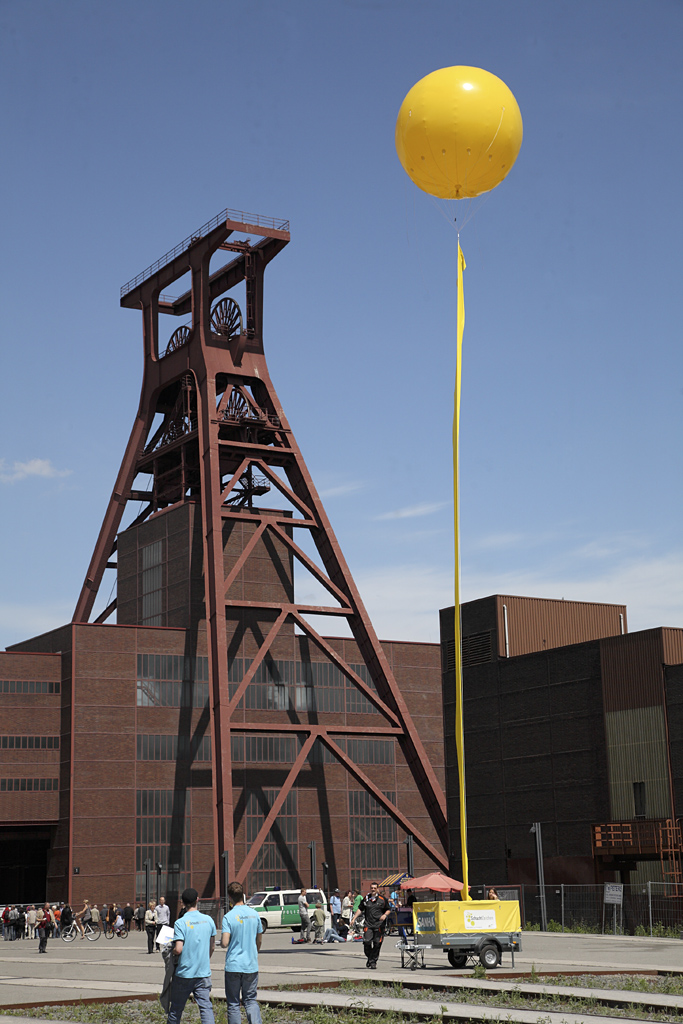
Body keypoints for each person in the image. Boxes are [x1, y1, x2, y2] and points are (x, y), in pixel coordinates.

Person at [167, 886, 216, 1024]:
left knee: (176, 1009)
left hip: (184, 973)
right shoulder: (209, 920)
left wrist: (170, 950)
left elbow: (178, 949)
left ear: (182, 902)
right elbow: (212, 946)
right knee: (206, 1007)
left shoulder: (180, 923)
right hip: (203, 972)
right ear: (197, 900)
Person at [221, 880, 262, 1024]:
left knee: (233, 1004)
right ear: (243, 895)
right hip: (250, 964)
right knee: (250, 1000)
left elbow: (225, 943)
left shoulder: (228, 917)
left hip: (233, 965)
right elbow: (259, 940)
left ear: (230, 897)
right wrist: (254, 952)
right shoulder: (254, 914)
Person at [351, 882, 391, 969]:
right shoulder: (366, 898)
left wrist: (384, 915)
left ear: (377, 889)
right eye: (371, 888)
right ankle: (370, 958)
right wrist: (354, 919)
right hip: (368, 924)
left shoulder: (382, 899)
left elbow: (388, 909)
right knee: (367, 942)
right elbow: (360, 909)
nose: (373, 889)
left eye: (374, 888)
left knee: (377, 943)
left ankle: (373, 962)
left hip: (379, 925)